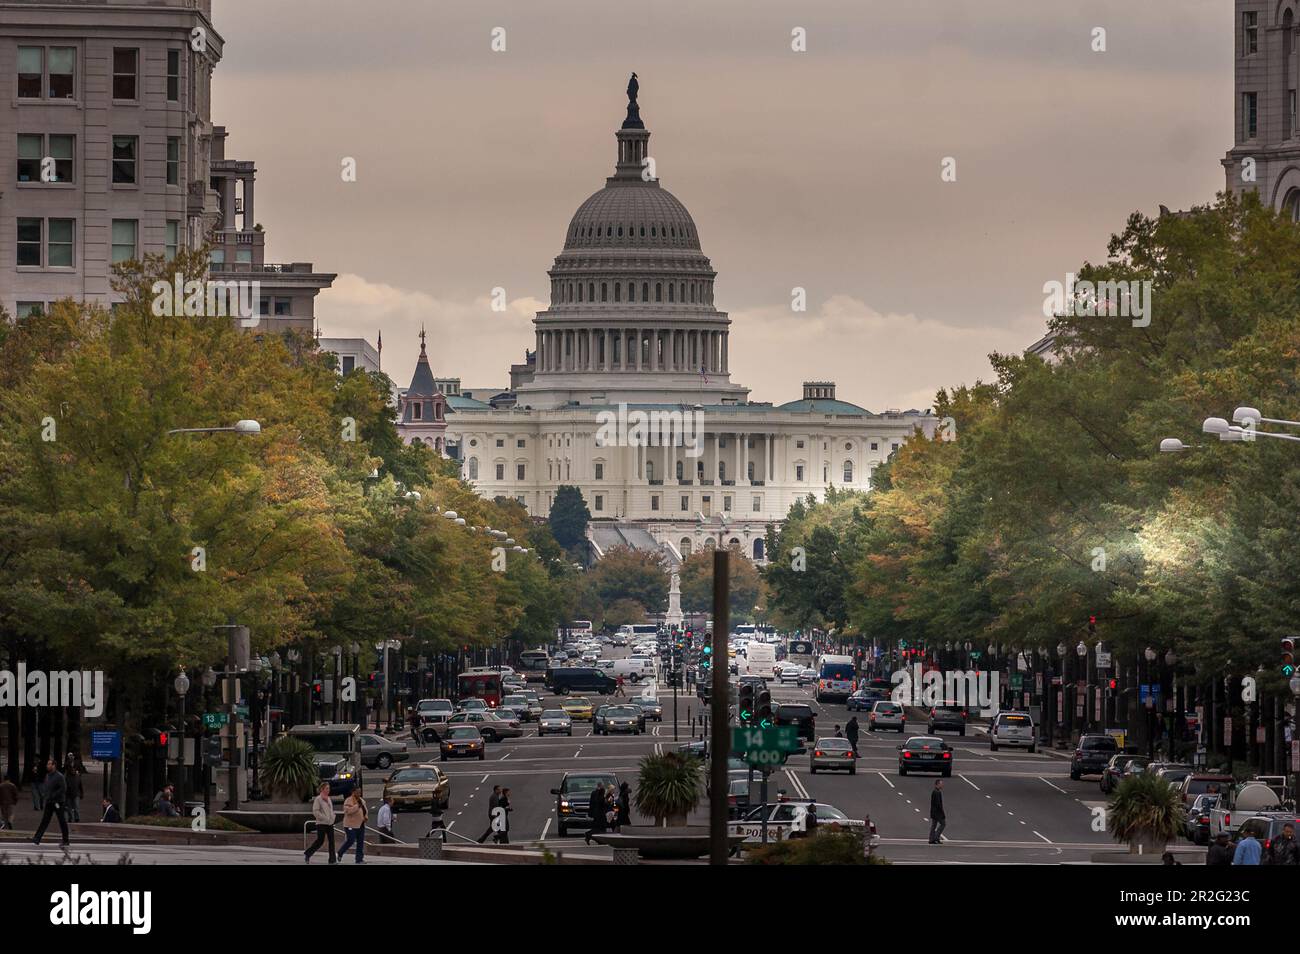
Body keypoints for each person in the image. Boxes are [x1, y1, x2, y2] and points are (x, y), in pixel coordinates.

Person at [32, 758, 69, 846]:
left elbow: (63, 788)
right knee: (45, 820)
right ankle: (37, 838)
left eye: (49, 764)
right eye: (47, 764)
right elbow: (47, 787)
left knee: (62, 820)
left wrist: (53, 795)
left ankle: (66, 840)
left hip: (58, 802)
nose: (47, 766)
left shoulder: (59, 776)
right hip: (49, 802)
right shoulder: (48, 776)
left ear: (54, 765)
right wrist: (46, 795)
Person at [304, 783, 337, 864]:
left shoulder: (328, 799)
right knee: (320, 841)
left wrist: (332, 817)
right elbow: (315, 811)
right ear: (322, 789)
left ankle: (332, 860)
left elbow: (330, 810)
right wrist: (324, 818)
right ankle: (308, 853)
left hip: (329, 823)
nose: (328, 790)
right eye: (326, 788)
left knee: (332, 842)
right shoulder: (318, 799)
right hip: (321, 823)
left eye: (329, 788)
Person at [338, 787, 368, 864]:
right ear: (353, 792)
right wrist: (357, 806)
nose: (359, 794)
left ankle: (359, 859)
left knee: (360, 842)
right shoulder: (348, 800)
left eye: (360, 792)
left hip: (360, 824)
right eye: (357, 792)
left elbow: (365, 810)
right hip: (350, 825)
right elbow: (347, 811)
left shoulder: (362, 800)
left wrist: (365, 816)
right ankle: (340, 852)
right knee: (351, 840)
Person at [64, 758, 83, 822]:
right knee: (70, 807)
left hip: (75, 793)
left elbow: (80, 786)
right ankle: (71, 817)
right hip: (69, 794)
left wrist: (81, 793)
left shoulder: (77, 777)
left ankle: (76, 817)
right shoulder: (67, 777)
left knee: (76, 807)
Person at [928, 779, 946, 845]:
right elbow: (938, 804)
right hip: (937, 813)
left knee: (934, 825)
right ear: (937, 784)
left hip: (933, 812)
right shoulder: (937, 792)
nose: (942, 785)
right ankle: (936, 837)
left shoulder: (935, 791)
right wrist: (942, 813)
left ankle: (931, 839)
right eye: (941, 784)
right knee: (943, 824)